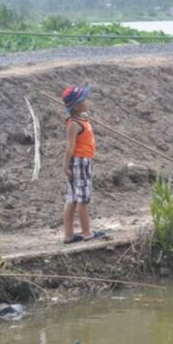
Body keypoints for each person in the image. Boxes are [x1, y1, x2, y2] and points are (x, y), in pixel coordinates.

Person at [61, 84, 106, 244]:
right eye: (84, 100)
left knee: (73, 198)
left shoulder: (81, 119)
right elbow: (70, 146)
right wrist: (66, 166)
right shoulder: (74, 123)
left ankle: (69, 235)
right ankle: (87, 233)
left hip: (83, 160)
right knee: (82, 198)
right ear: (76, 105)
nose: (87, 102)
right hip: (80, 162)